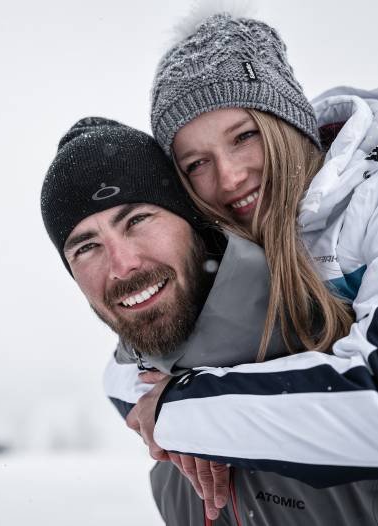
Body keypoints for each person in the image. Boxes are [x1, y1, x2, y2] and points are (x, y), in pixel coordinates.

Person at [42, 117, 378, 525]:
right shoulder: (160, 430)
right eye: (86, 247)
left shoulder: (324, 328)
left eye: (137, 220)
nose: (122, 266)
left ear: (194, 223)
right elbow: (119, 375)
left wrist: (183, 411)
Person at [111, 9, 378, 515]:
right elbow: (124, 374)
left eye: (243, 136)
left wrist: (187, 410)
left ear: (286, 121)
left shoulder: (369, 207)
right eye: (196, 164)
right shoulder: (225, 246)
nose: (230, 178)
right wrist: (195, 414)